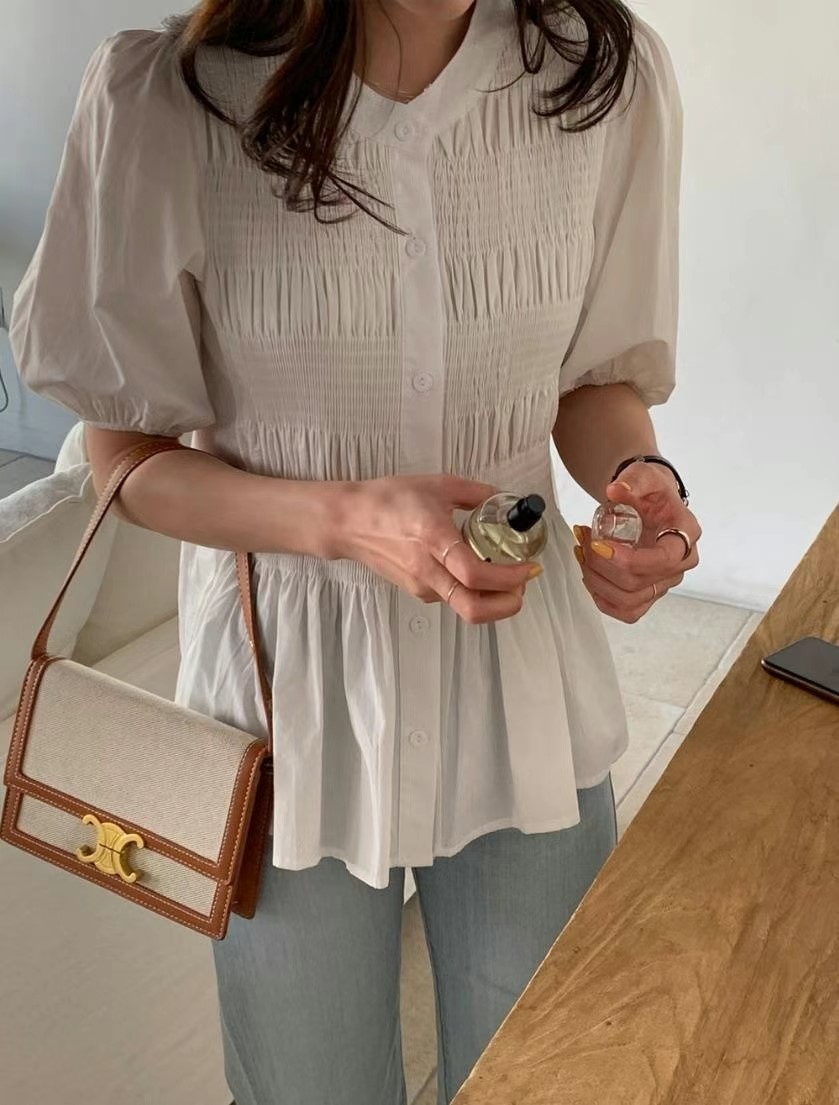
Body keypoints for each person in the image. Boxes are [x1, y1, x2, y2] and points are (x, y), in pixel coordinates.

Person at [9, 1, 702, 1102]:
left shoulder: (599, 76)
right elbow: (125, 458)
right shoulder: (168, 97)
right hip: (284, 713)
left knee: (550, 1073)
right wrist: (347, 519)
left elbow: (592, 381)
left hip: (525, 687)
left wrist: (640, 480)